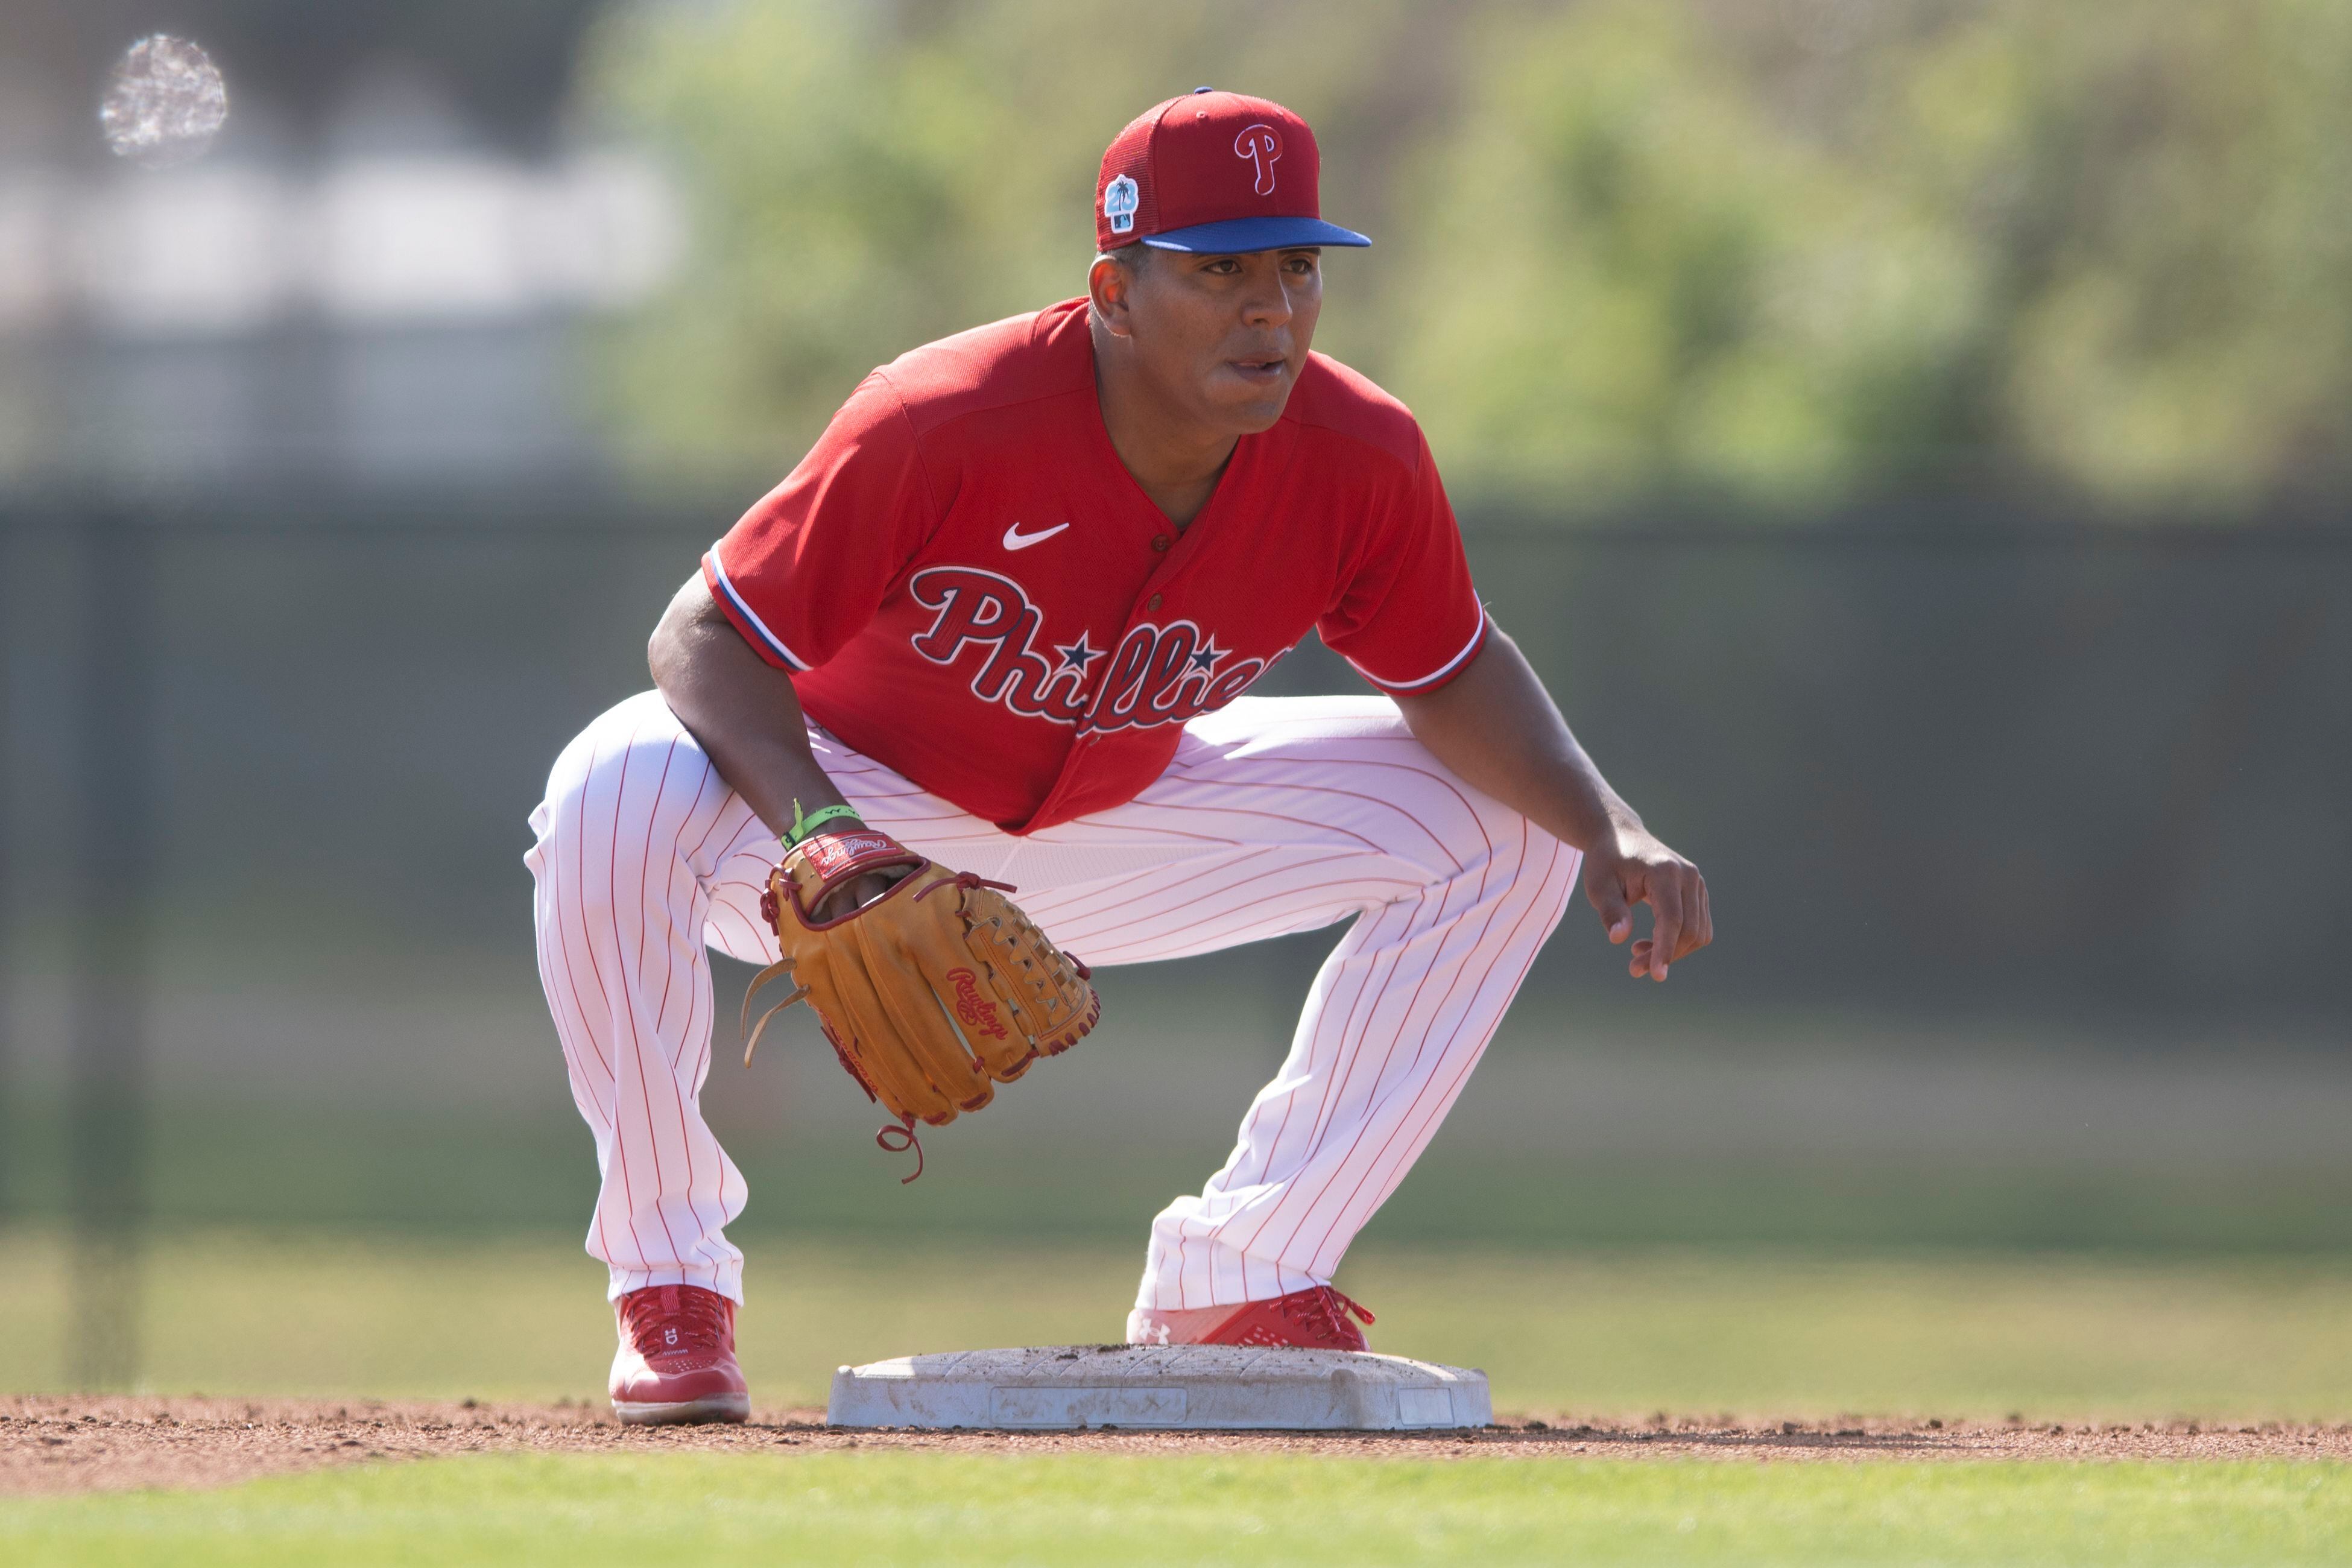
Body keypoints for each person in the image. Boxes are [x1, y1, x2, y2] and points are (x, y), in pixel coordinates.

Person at [527, 89, 1712, 1426]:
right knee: (612, 786)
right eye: (1220, 271)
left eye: (1297, 268)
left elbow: (1450, 670)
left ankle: (1243, 1271)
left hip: (1122, 819)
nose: (1271, 308)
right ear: (1115, 288)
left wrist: (1609, 819)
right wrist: (824, 830)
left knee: (1509, 820)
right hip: (847, 819)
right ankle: (670, 1278)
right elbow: (701, 638)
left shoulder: (1357, 456)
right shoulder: (942, 417)